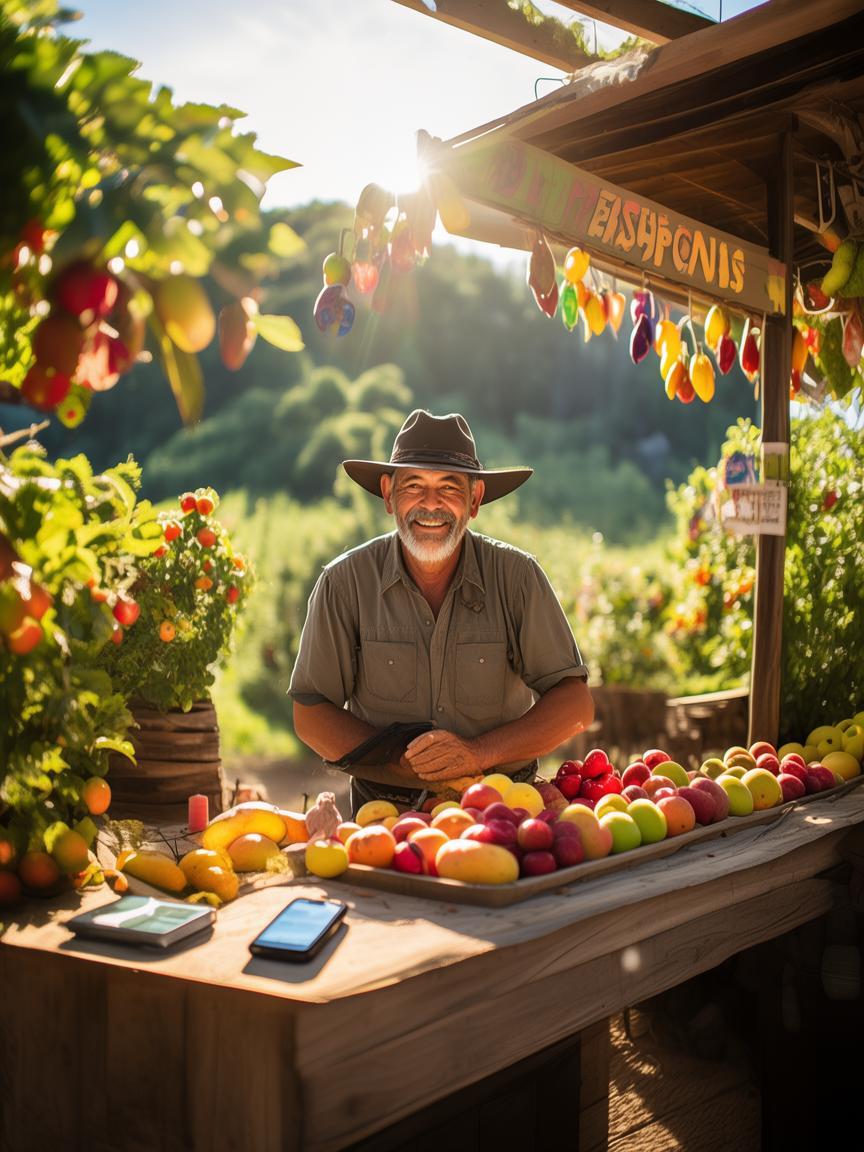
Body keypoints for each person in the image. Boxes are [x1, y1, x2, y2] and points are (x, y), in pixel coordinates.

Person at [289, 409, 594, 815]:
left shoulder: (517, 577)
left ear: (475, 500)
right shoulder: (344, 583)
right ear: (387, 494)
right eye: (413, 485)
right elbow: (310, 713)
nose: (430, 504)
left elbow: (575, 704)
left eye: (449, 487)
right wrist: (403, 759)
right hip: (382, 816)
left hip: (504, 808)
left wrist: (477, 753)